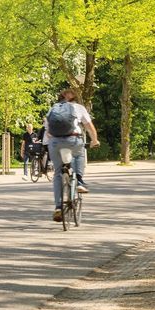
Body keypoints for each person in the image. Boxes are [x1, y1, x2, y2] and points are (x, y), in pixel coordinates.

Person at [44, 87, 100, 221]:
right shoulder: (78, 108)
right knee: (79, 153)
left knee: (58, 173)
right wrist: (94, 140)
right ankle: (79, 181)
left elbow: (47, 130)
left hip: (55, 142)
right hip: (73, 139)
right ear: (75, 97)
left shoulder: (53, 108)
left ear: (60, 97)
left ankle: (58, 207)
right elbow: (89, 126)